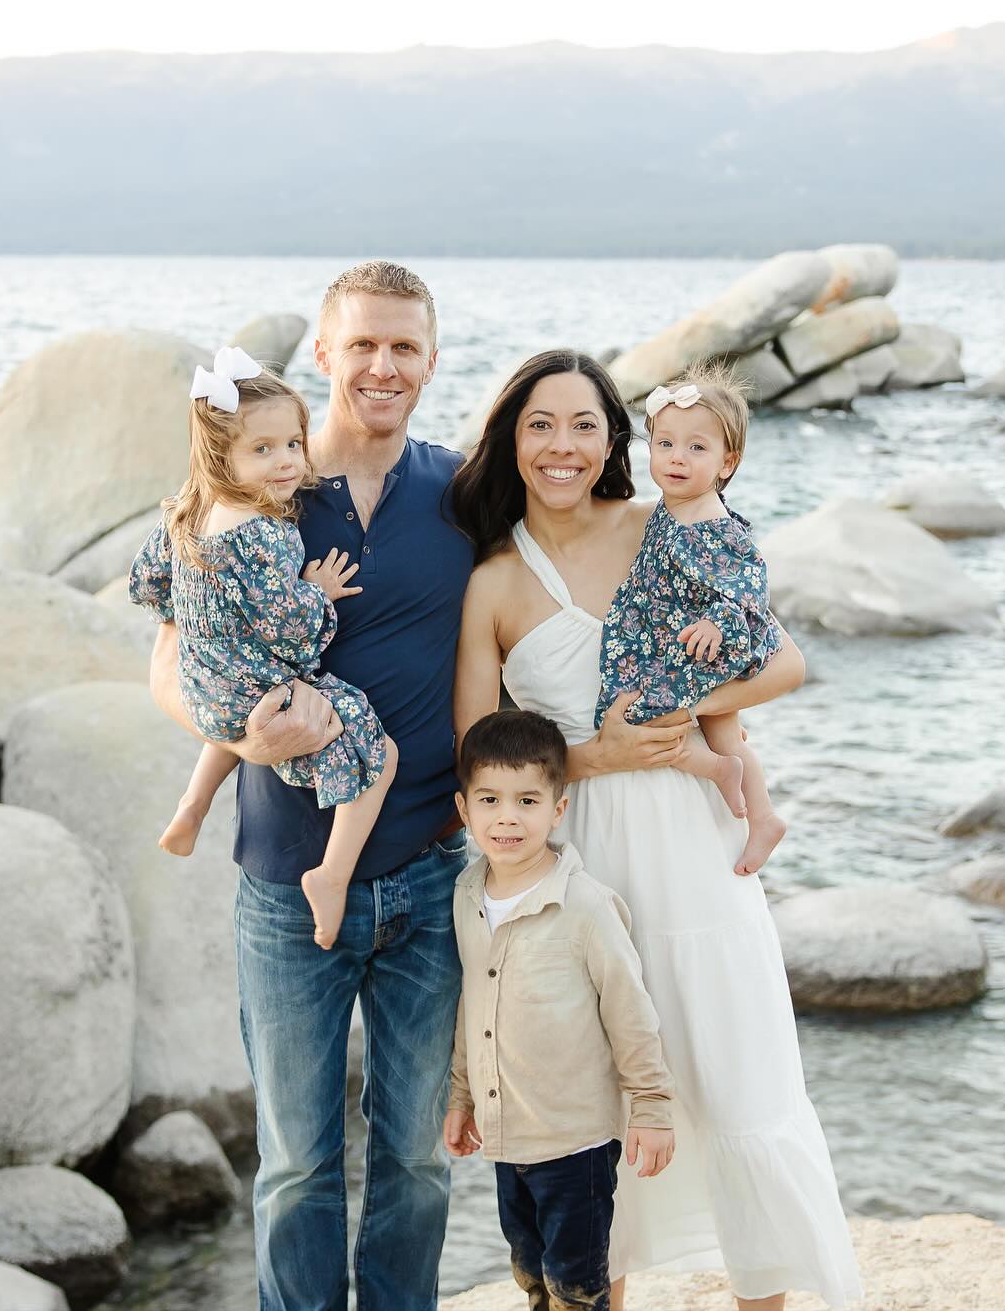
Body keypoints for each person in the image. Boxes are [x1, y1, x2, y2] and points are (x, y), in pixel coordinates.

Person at [451, 349, 862, 1311]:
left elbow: (785, 662)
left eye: (584, 424)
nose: (562, 446)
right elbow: (475, 747)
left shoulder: (663, 527)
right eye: (541, 424)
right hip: (580, 847)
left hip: (692, 837)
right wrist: (592, 756)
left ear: (613, 440)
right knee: (594, 1091)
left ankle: (770, 1293)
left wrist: (677, 713)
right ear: (514, 438)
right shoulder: (495, 582)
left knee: (734, 1066)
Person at [146, 262, 474, 1311]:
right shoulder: (255, 490)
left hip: (430, 876)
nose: (384, 366)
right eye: (363, 344)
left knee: (417, 1163)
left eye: (405, 347)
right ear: (324, 355)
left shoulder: (461, 492)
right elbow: (168, 651)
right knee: (295, 1165)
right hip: (285, 885)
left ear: (430, 361)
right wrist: (231, 730)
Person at [127, 347, 397, 949]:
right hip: (257, 690)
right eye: (262, 449)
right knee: (381, 755)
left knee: (236, 723)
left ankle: (193, 808)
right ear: (222, 457)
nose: (285, 462)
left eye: (293, 445)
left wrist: (198, 622)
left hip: (206, 689)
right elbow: (291, 632)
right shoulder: (268, 535)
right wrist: (317, 592)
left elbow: (145, 580)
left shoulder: (186, 514)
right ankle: (332, 874)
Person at [444, 708, 675, 1311]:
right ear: (464, 809)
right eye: (490, 799)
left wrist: (650, 1105)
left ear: (558, 808)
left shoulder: (585, 907)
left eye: (527, 800)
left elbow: (630, 1012)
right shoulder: (468, 894)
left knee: (577, 1283)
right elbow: (473, 1006)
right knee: (529, 1271)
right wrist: (461, 1098)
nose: (508, 817)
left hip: (575, 1141)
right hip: (506, 1134)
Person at [596, 365, 787, 876]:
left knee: (642, 715)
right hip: (674, 637)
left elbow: (748, 579)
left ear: (728, 463)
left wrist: (720, 623)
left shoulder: (712, 522)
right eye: (665, 444)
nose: (677, 458)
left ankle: (725, 778)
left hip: (703, 643)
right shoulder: (669, 507)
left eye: (697, 449)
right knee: (725, 730)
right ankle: (760, 812)